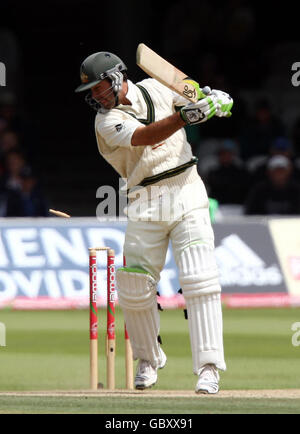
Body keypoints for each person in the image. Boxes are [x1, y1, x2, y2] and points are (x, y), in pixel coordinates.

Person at [75, 51, 233, 394]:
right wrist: (190, 115)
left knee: (199, 277)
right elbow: (145, 135)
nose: (97, 97)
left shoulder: (157, 88)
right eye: (92, 93)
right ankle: (148, 359)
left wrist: (211, 98)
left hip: (187, 188)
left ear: (117, 78)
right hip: (144, 199)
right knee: (132, 287)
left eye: (101, 88)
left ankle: (208, 368)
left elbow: (188, 91)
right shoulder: (105, 122)